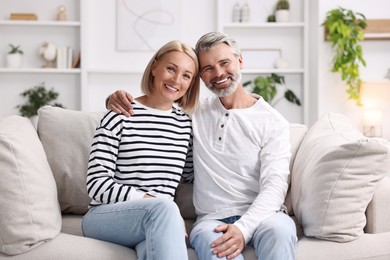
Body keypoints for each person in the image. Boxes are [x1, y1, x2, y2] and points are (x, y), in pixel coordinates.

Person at [106, 32, 297, 260]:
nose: (218, 73)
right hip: (211, 220)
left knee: (281, 231)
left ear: (240, 61)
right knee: (217, 248)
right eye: (207, 68)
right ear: (201, 78)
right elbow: (157, 105)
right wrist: (113, 99)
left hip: (266, 217)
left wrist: (243, 228)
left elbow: (274, 187)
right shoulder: (193, 113)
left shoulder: (273, 122)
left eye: (224, 62)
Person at [82, 40, 200, 260]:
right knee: (164, 209)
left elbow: (193, 177)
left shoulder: (185, 125)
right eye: (171, 69)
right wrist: (152, 202)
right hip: (106, 216)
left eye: (186, 75)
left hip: (157, 220)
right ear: (155, 67)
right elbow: (96, 183)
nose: (176, 80)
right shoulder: (120, 113)